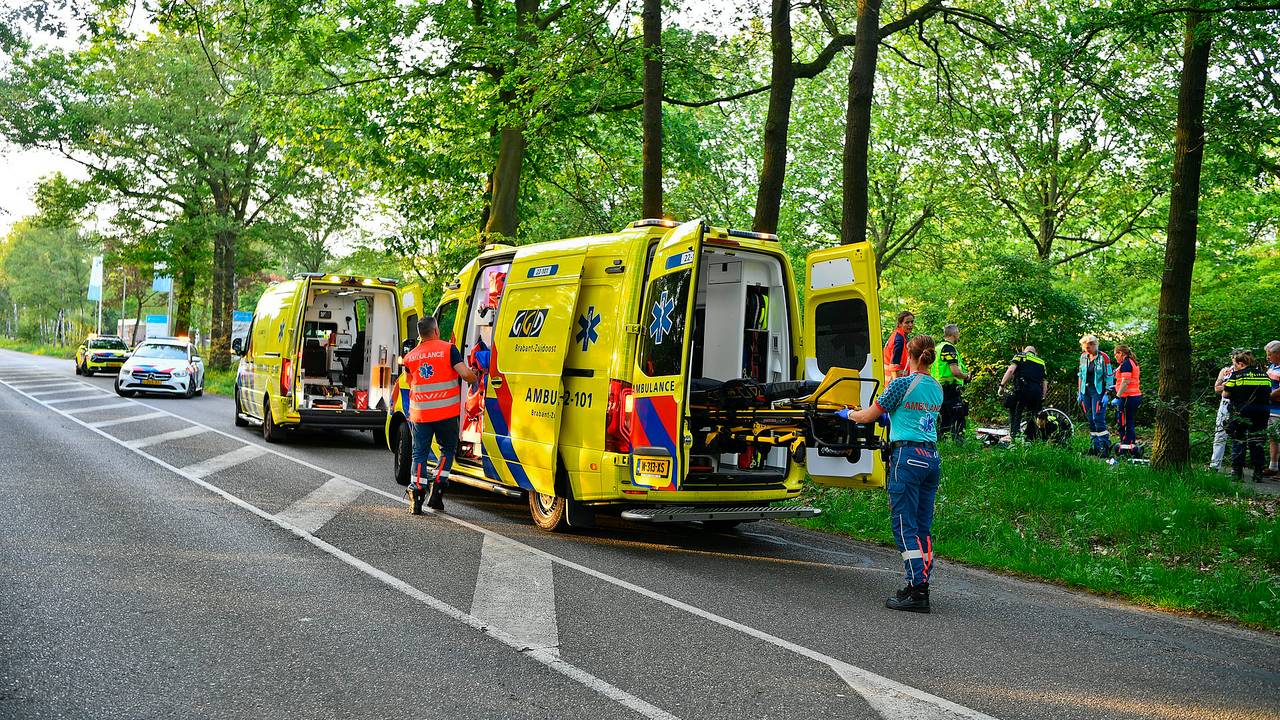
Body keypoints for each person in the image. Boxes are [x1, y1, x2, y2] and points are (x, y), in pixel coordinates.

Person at [844, 335, 943, 613]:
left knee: (904, 526)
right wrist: (890, 417)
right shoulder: (937, 388)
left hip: (907, 459)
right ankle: (921, 583)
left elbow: (867, 416)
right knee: (922, 527)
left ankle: (917, 589)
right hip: (931, 457)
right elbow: (914, 416)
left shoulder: (901, 383)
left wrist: (847, 415)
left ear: (908, 356)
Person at [402, 317, 477, 513]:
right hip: (446, 413)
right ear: (436, 330)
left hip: (420, 415)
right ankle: (438, 489)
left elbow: (409, 382)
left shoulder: (410, 357)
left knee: (419, 454)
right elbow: (465, 374)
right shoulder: (448, 349)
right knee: (447, 450)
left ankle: (416, 497)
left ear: (420, 335)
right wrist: (476, 375)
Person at [1222, 349, 1271, 482]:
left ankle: (1237, 472)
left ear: (1240, 363)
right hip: (1261, 412)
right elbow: (1268, 392)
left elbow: (1225, 394)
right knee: (1258, 440)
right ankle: (1258, 472)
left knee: (1239, 440)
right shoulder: (1264, 376)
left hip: (1241, 412)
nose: (1234, 367)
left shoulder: (1237, 376)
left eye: (1235, 364)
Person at [931, 324, 971, 441]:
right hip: (950, 387)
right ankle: (959, 445)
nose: (959, 335)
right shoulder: (949, 348)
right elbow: (954, 371)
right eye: (958, 333)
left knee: (943, 417)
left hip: (938, 387)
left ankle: (941, 444)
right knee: (958, 416)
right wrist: (966, 376)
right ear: (954, 334)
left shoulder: (938, 348)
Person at [1077, 334, 1115, 456]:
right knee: (1090, 419)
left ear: (1095, 345)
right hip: (1085, 391)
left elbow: (1109, 376)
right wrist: (1080, 393)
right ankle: (1094, 446)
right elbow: (1080, 375)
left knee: (1097, 418)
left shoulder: (1104, 357)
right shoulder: (1083, 357)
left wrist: (1107, 393)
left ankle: (1104, 446)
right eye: (1086, 346)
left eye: (1091, 346)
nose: (1088, 348)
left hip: (1098, 391)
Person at [999, 346, 1046, 441]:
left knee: (1017, 412)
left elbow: (1011, 370)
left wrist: (1002, 385)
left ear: (1025, 351)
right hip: (1037, 392)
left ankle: (1014, 437)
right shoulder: (1041, 362)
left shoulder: (1020, 356)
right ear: (1035, 353)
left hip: (1023, 389)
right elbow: (1045, 381)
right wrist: (1043, 396)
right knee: (1032, 416)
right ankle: (1030, 439)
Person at [1113, 345, 1143, 451]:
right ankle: (1129, 444)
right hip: (1132, 396)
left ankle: (1126, 446)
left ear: (1121, 353)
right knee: (1128, 421)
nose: (1115, 356)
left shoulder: (1126, 364)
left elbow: (1126, 382)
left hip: (1128, 398)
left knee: (1124, 422)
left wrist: (1118, 396)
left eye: (1116, 354)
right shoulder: (1131, 362)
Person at [1209, 362, 1235, 472]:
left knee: (1238, 435)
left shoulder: (1248, 372)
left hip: (1240, 404)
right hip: (1225, 404)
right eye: (1234, 357)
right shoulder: (1225, 371)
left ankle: (1236, 468)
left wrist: (1228, 386)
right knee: (1219, 433)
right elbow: (1217, 388)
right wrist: (1229, 385)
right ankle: (1214, 465)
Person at [882, 311, 914, 383]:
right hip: (894, 380)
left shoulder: (899, 336)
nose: (910, 325)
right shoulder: (899, 340)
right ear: (900, 324)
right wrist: (896, 385)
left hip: (894, 379)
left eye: (912, 322)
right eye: (907, 322)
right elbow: (894, 366)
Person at [1265, 340, 1280, 477]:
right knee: (1273, 437)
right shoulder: (1272, 367)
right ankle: (1273, 466)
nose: (1267, 357)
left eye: (1269, 354)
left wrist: (1268, 395)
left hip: (1278, 409)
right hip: (1270, 408)